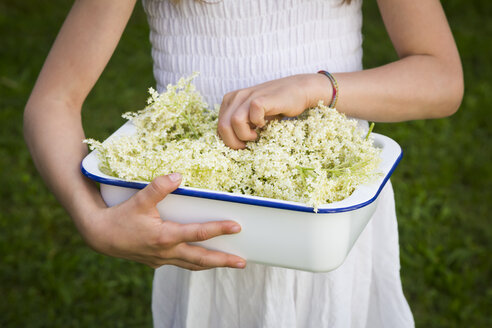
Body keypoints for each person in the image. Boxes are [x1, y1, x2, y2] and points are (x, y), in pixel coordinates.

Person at [24, 0, 463, 327]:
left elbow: (442, 79)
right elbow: (53, 100)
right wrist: (92, 219)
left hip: (333, 220)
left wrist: (316, 87)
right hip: (207, 234)